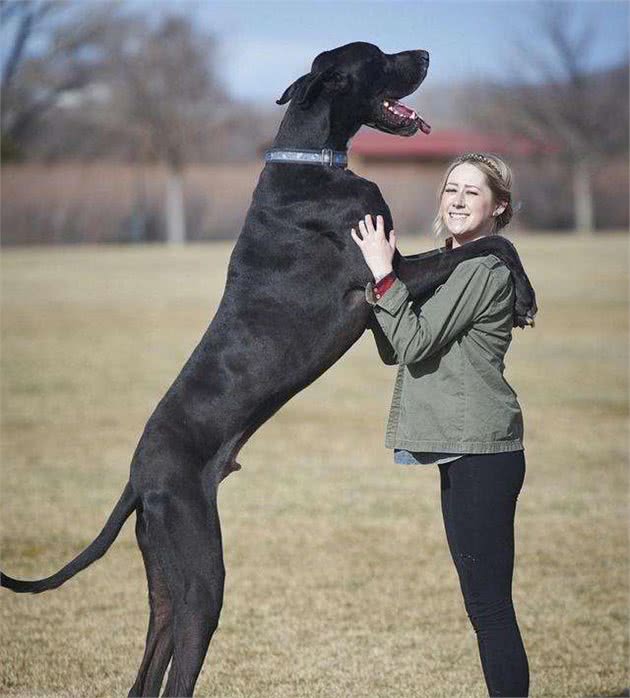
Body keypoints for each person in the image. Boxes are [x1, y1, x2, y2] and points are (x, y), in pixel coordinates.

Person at [350, 152, 530, 697]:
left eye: (472, 192)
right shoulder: (449, 267)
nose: (456, 200)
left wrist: (385, 276)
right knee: (483, 605)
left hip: (483, 451)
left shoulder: (480, 269)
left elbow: (413, 340)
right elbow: (396, 347)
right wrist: (385, 286)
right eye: (451, 189)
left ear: (498, 206)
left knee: (490, 608)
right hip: (464, 448)